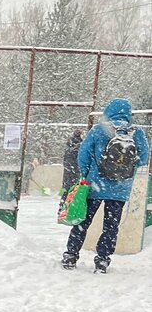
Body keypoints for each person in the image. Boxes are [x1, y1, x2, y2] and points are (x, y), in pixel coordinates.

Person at [61, 98, 149, 273]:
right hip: (120, 190)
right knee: (111, 226)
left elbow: (83, 156)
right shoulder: (136, 133)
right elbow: (144, 158)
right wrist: (125, 173)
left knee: (83, 221)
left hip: (95, 185)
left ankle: (71, 255)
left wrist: (85, 175)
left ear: (108, 112)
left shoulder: (98, 130)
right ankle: (102, 259)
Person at [61, 127, 84, 196]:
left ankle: (63, 204)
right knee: (74, 188)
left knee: (67, 187)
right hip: (75, 168)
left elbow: (65, 158)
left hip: (68, 168)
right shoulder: (80, 144)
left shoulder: (69, 144)